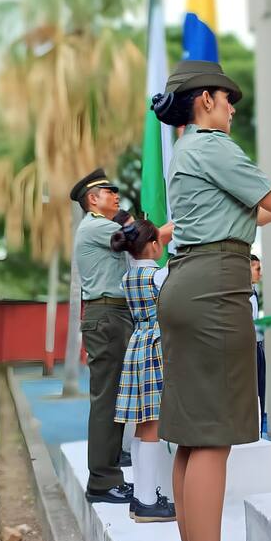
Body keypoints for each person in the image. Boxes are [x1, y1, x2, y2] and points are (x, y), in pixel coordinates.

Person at [152, 59, 271, 541]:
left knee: (192, 438)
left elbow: (255, 214)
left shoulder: (187, 150)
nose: (232, 109)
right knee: (212, 439)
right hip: (214, 289)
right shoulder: (212, 145)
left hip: (190, 283)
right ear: (205, 100)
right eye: (227, 99)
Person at [70, 169, 134, 504]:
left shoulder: (101, 225)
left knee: (114, 397)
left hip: (114, 314)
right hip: (107, 316)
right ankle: (102, 481)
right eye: (110, 191)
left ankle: (109, 464)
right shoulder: (96, 226)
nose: (116, 195)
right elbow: (140, 237)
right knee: (107, 400)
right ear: (93, 199)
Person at [111, 218, 176, 524]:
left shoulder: (128, 277)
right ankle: (148, 502)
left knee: (141, 423)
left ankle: (141, 496)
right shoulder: (159, 275)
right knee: (153, 423)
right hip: (156, 346)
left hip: (138, 343)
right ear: (152, 245)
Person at [250, 254, 267, 435]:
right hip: (250, 350)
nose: (260, 273)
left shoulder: (253, 292)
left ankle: (258, 433)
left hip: (257, 348)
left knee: (260, 393)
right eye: (257, 269)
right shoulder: (243, 296)